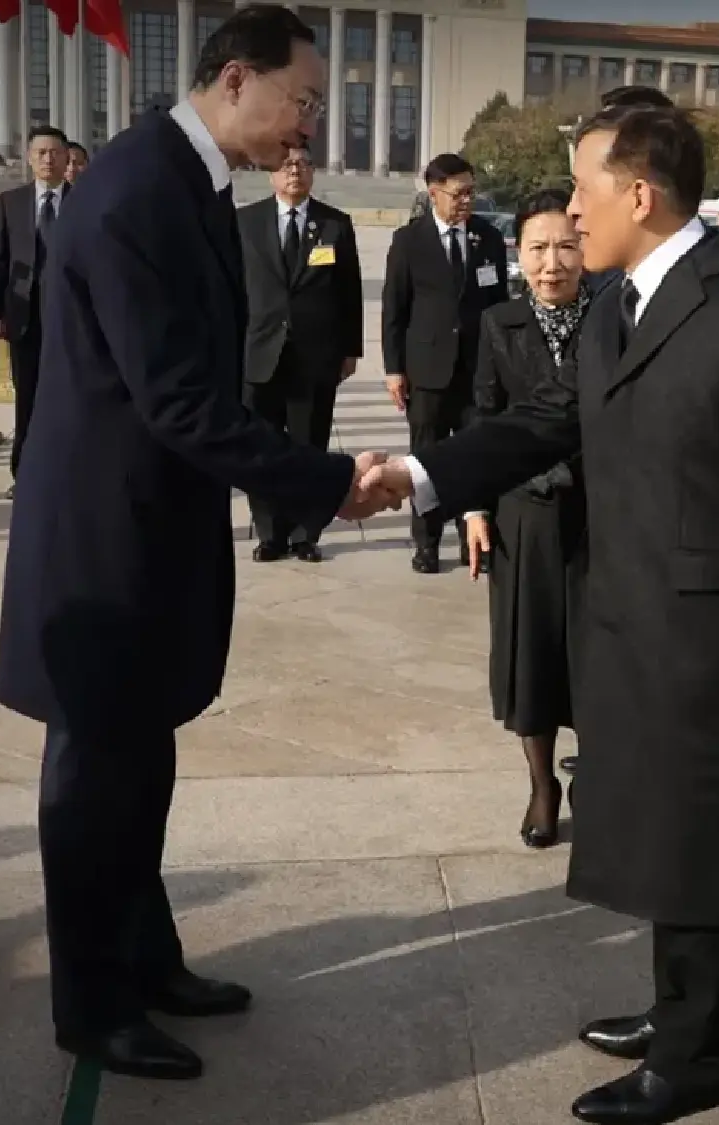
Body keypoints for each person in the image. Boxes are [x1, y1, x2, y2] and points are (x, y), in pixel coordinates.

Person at [356, 102, 719, 1124]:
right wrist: (420, 473)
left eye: (582, 190)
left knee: (702, 846)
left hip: (711, 639)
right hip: (625, 619)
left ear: (639, 194)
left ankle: (698, 1055)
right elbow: (547, 420)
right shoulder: (621, 305)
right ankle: (682, 1009)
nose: (570, 213)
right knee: (662, 835)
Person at [0, 5, 394, 1081]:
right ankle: (92, 1005)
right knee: (94, 782)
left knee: (141, 760)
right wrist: (325, 483)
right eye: (303, 101)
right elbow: (175, 399)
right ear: (235, 80)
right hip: (102, 543)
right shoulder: (136, 192)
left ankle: (147, 959)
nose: (309, 127)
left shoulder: (191, 181)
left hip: (151, 526)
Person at [461, 188, 588, 851]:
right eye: (539, 248)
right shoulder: (499, 322)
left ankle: (597, 774)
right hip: (524, 513)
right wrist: (475, 506)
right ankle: (542, 785)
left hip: (601, 514)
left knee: (597, 653)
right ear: (519, 253)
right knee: (530, 652)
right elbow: (482, 415)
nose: (552, 263)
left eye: (566, 246)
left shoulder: (615, 315)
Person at [381, 152, 513, 573]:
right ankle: (427, 543)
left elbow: (499, 304)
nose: (467, 200)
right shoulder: (409, 241)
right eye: (459, 193)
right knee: (426, 459)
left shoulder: (487, 238)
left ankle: (475, 540)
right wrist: (394, 369)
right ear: (434, 193)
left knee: (476, 456)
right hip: (427, 371)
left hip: (477, 369)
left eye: (471, 192)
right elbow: (394, 309)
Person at [238, 144, 364, 562]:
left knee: (309, 447)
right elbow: (231, 289)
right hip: (259, 354)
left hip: (315, 357)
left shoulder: (335, 224)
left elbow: (349, 292)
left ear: (313, 171)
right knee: (261, 447)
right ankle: (270, 533)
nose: (295, 171)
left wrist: (351, 348)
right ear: (271, 172)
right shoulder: (245, 222)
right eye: (287, 164)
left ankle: (305, 534)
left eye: (303, 164)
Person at [0, 125, 71, 494]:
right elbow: (0, 260)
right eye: (41, 153)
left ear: (66, 159)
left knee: (69, 399)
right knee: (28, 399)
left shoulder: (83, 200)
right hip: (25, 318)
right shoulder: (12, 201)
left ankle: (68, 474)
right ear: (30, 159)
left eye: (55, 152)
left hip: (70, 319)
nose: (48, 159)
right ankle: (24, 476)